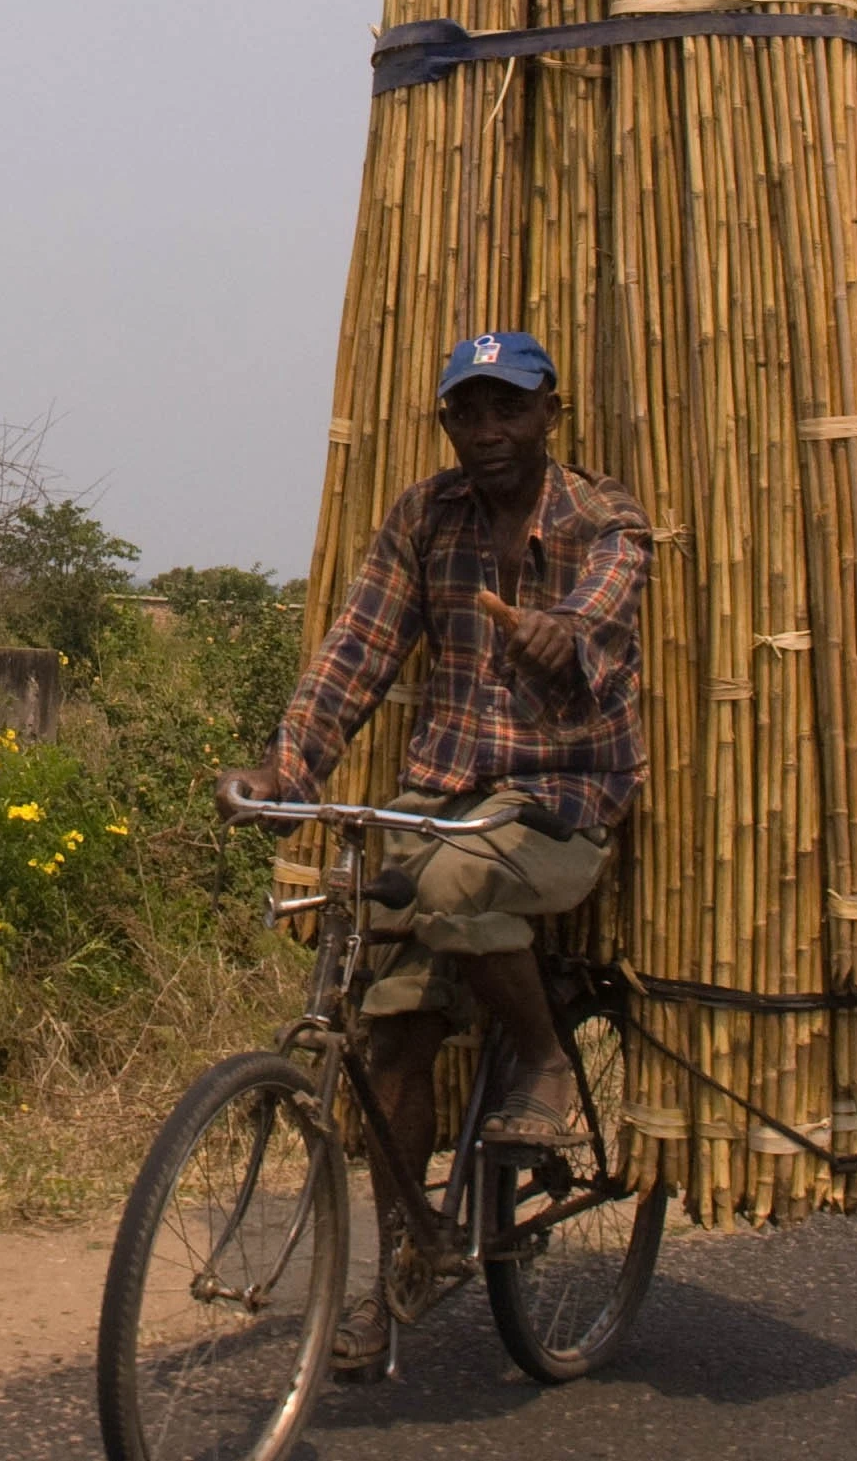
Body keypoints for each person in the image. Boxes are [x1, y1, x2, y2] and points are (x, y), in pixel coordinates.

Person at [217, 327, 652, 1374]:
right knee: (392, 1031)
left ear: (553, 411)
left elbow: (608, 593)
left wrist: (564, 632)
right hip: (446, 794)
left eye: (511, 407)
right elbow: (357, 651)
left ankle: (546, 1057)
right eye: (470, 410)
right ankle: (400, 1260)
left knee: (451, 881)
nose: (490, 431)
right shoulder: (425, 516)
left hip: (561, 802)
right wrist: (287, 773)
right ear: (447, 421)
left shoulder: (604, 516)